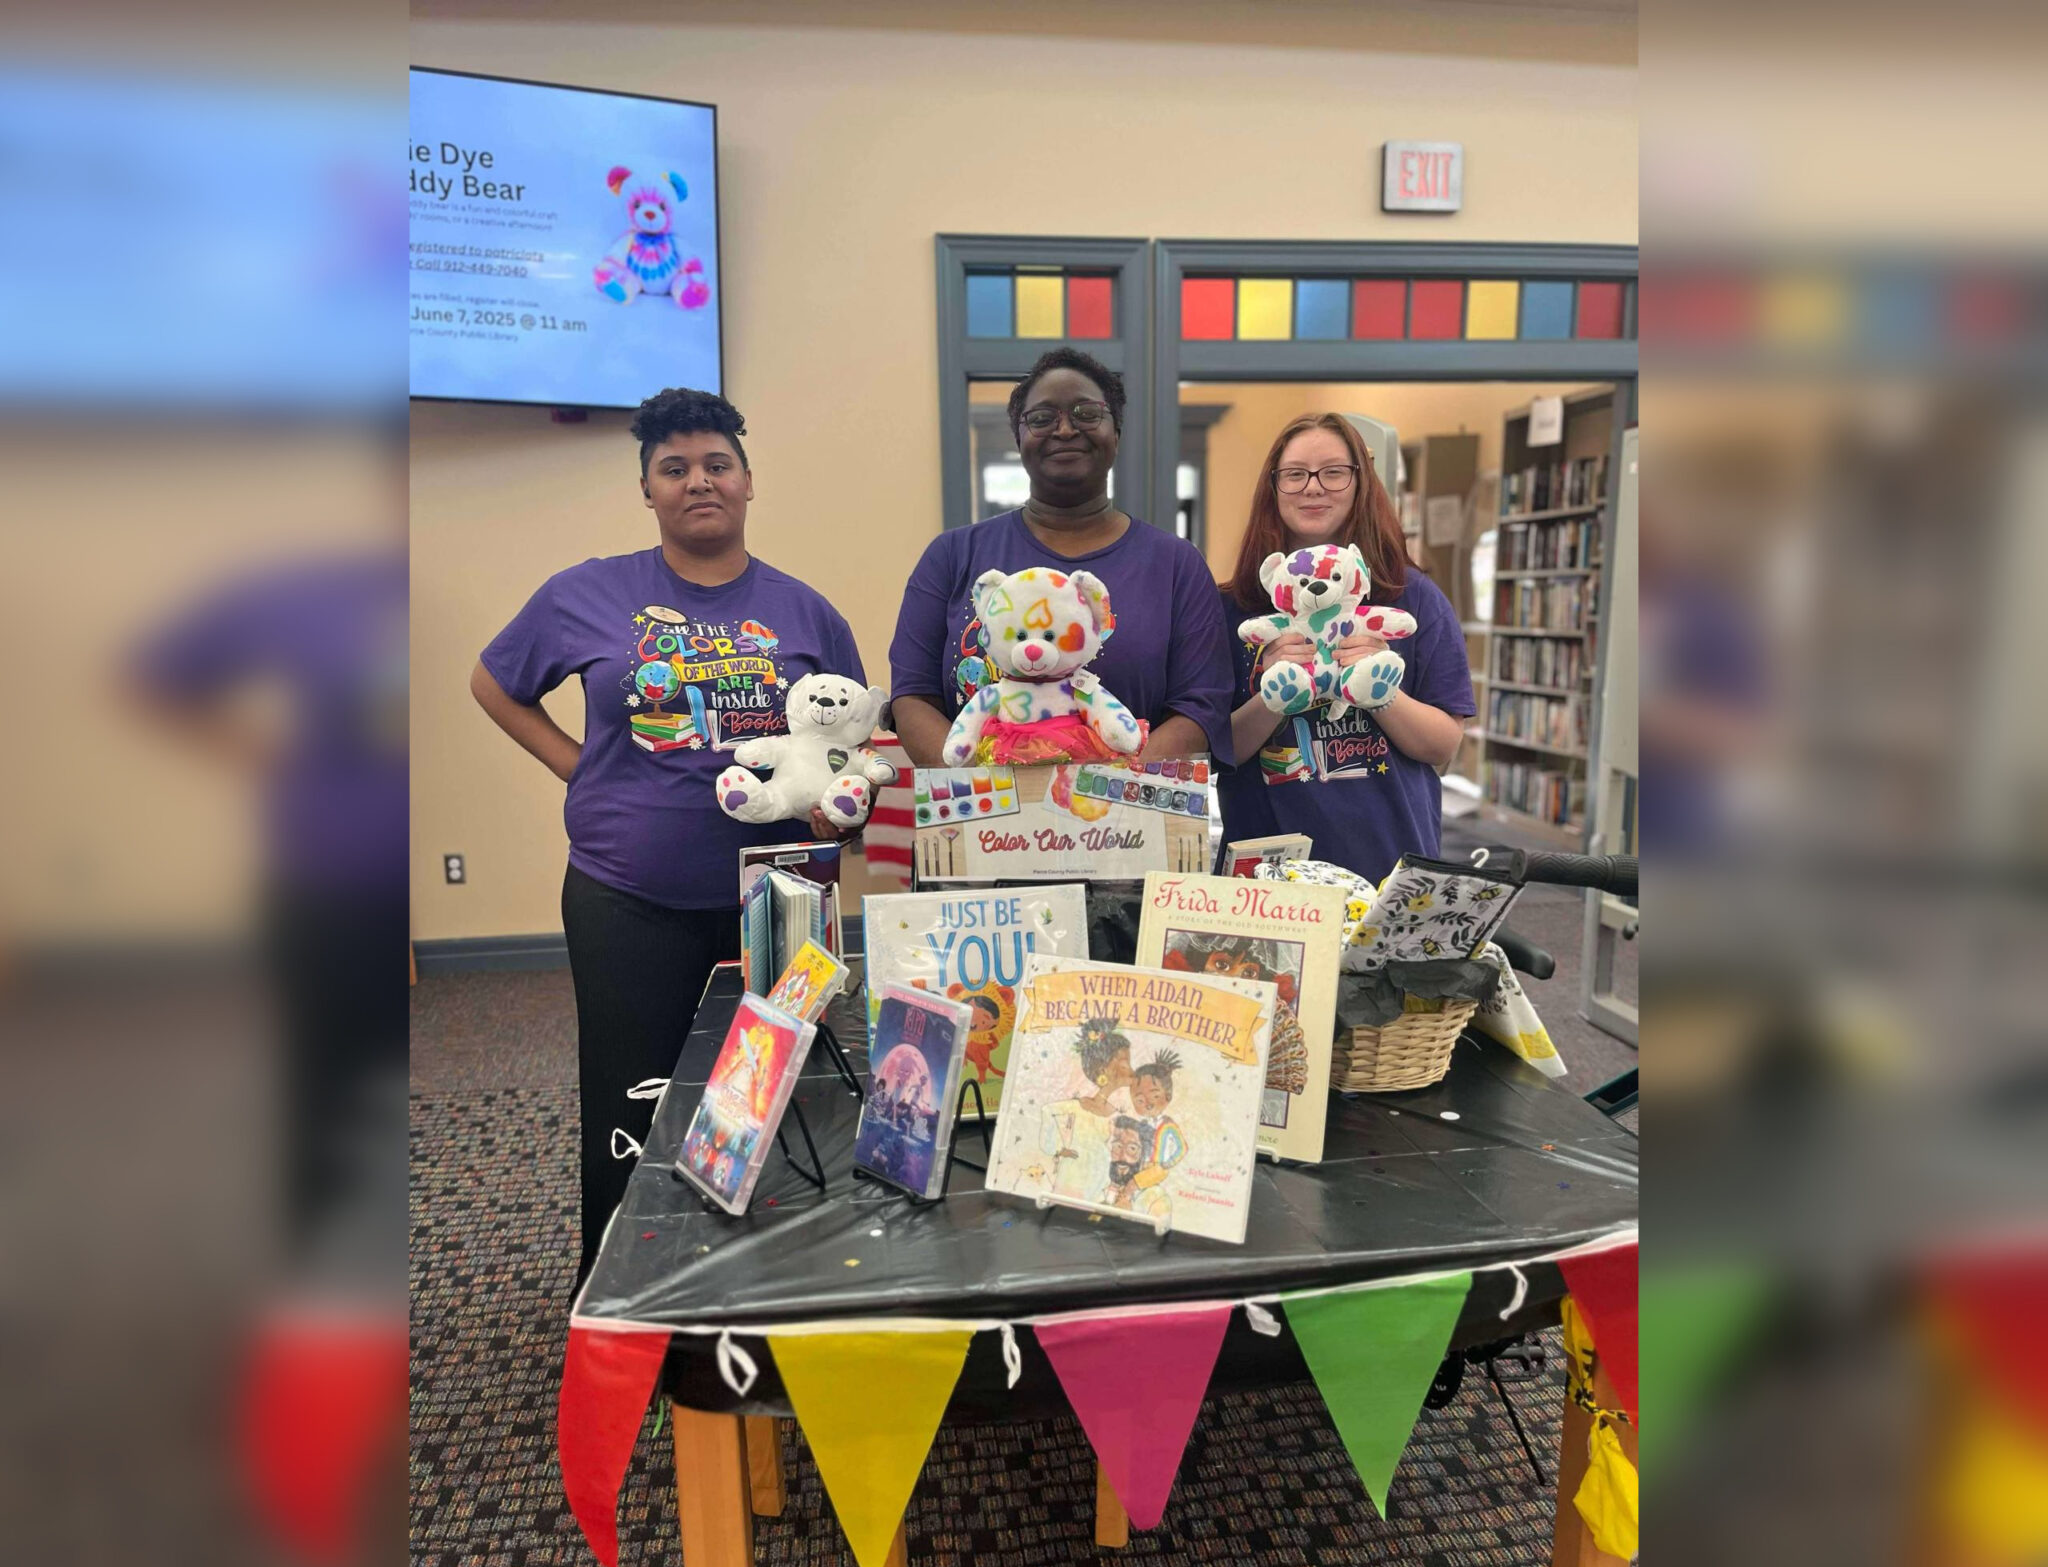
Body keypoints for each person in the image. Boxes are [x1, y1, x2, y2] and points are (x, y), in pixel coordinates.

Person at [471, 387, 867, 1284]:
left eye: (717, 464)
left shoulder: (807, 612)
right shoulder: (584, 593)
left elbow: (849, 744)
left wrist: (839, 809)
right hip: (627, 899)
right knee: (633, 1105)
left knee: (777, 1100)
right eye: (674, 468)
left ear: (749, 482)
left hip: (777, 902)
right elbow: (495, 684)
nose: (699, 481)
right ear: (647, 489)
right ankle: (626, 1297)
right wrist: (580, 768)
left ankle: (767, 1287)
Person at [888, 347, 1233, 766]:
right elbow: (913, 696)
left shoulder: (1176, 565)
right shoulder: (951, 556)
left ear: (1116, 432)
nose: (1066, 429)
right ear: (1019, 438)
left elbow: (1200, 706)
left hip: (1131, 805)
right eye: (1042, 418)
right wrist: (992, 790)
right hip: (981, 805)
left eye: (1087, 413)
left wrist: (1107, 793)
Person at [1217, 413, 1474, 885]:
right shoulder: (1235, 609)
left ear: (1361, 482)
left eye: (1334, 472)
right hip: (1267, 874)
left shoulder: (1412, 597)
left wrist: (1381, 693)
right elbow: (1217, 751)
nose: (1313, 487)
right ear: (1273, 486)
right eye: (1295, 474)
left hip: (1388, 863)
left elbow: (1442, 745)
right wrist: (1272, 697)